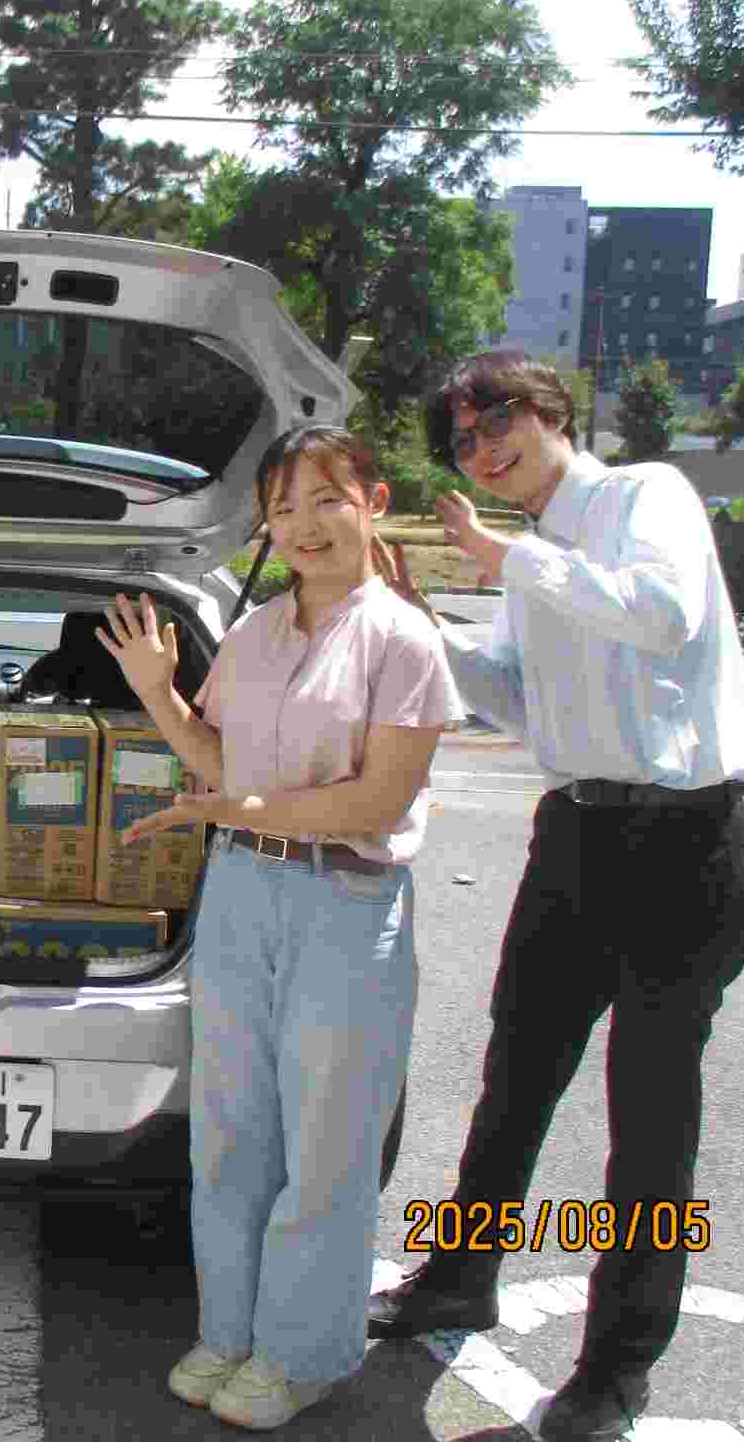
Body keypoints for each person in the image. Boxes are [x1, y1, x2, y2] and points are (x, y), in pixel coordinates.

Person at [370, 350, 744, 1442]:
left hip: (684, 835)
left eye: (494, 420)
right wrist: (426, 627)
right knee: (515, 1077)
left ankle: (615, 1369)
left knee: (650, 1115)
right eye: (460, 440)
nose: (480, 450)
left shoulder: (643, 496)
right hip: (575, 832)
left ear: (551, 412)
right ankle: (459, 1277)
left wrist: (507, 558)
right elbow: (516, 703)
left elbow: (661, 613)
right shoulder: (533, 555)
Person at [97, 426, 461, 1430]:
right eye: (283, 506)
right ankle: (231, 1333)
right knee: (230, 1135)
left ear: (371, 502)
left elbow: (376, 802)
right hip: (241, 892)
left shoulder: (403, 640)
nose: (303, 524)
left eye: (324, 499)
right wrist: (157, 693)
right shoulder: (255, 632)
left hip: (345, 901)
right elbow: (221, 762)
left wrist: (239, 809)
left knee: (326, 1144)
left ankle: (303, 1354)